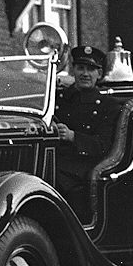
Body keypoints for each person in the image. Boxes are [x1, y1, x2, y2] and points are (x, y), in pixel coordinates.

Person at [53, 45, 118, 221]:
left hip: (84, 165)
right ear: (73, 70)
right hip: (55, 158)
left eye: (91, 69)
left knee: (54, 178)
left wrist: (72, 136)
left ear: (99, 74)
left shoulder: (108, 105)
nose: (85, 74)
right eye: (80, 68)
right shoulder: (58, 98)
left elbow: (103, 146)